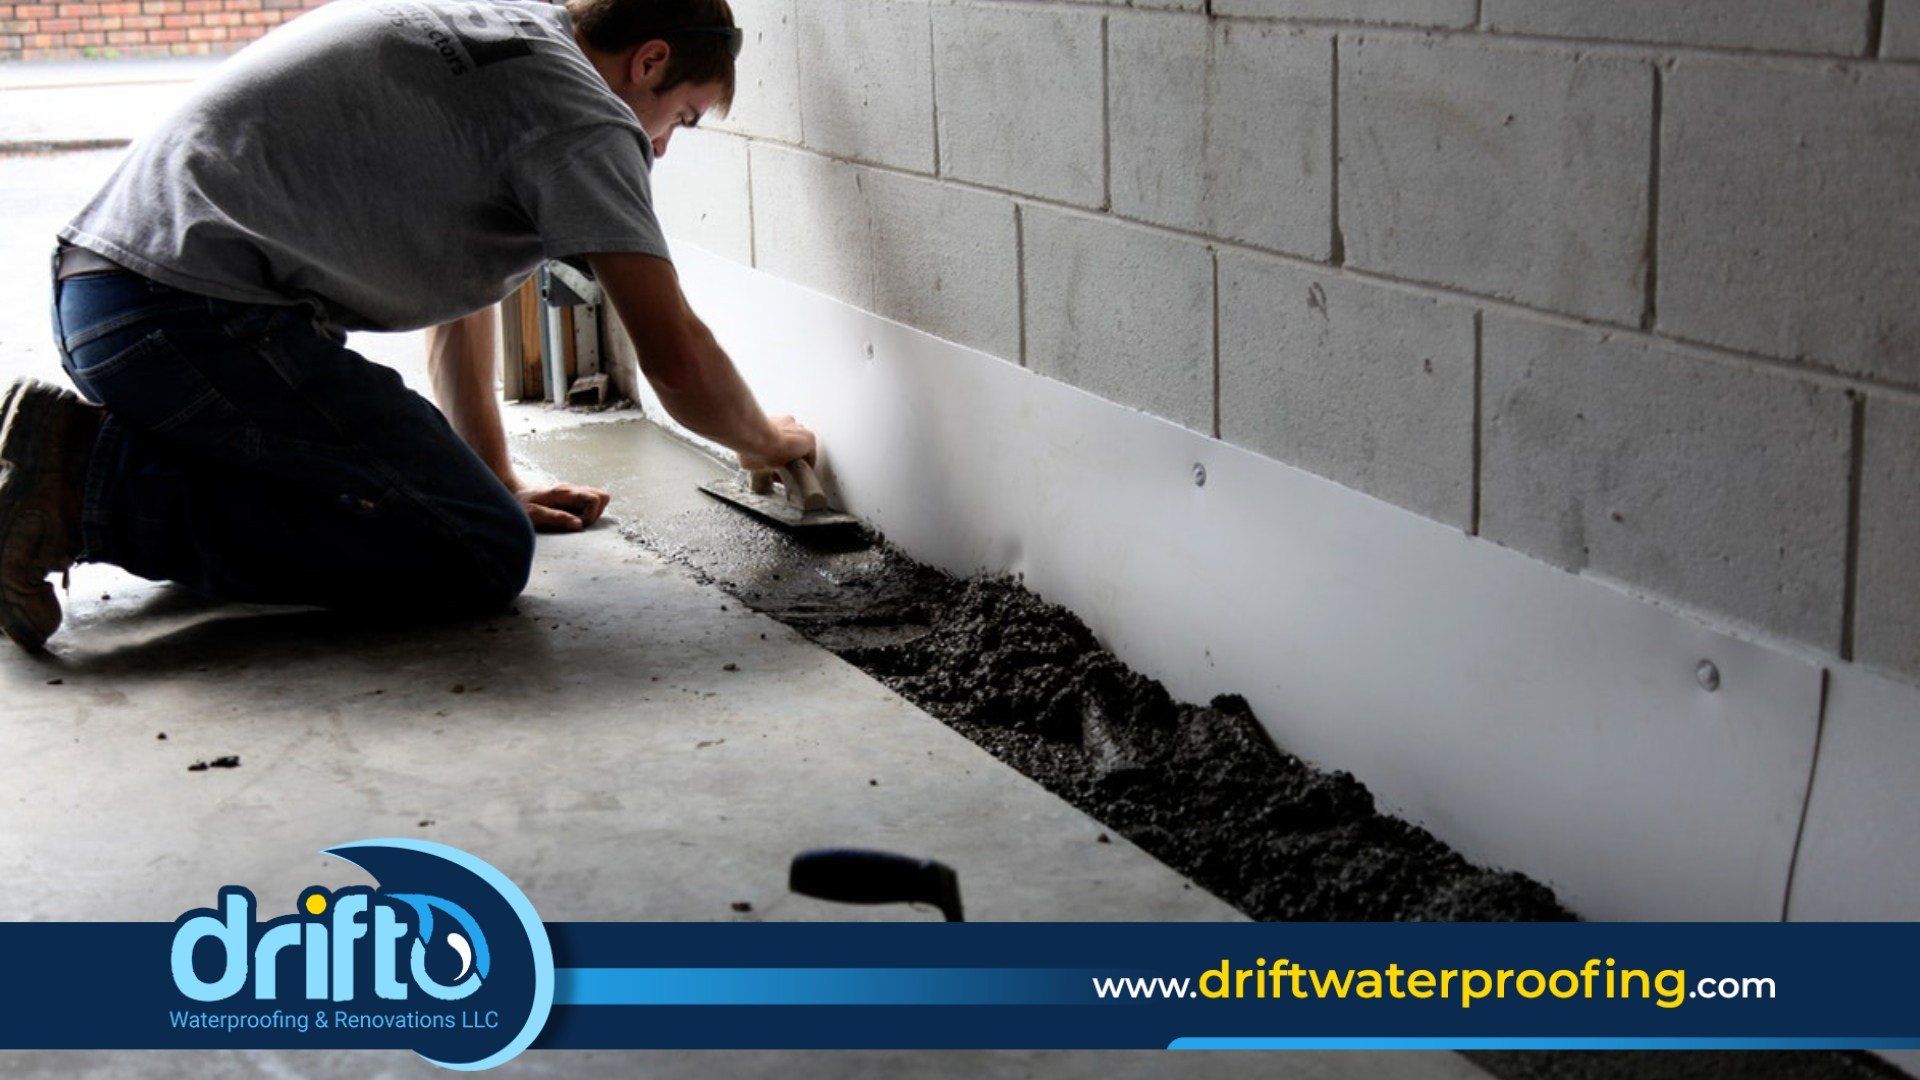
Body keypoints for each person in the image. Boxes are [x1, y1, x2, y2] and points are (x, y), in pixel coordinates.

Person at [0, 0, 815, 652]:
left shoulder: (506, 32)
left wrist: (496, 476)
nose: (664, 148)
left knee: (451, 508)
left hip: (109, 297)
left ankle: (91, 458)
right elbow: (675, 357)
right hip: (183, 323)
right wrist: (763, 440)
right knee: (473, 552)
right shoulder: (584, 118)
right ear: (650, 61)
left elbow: (460, 296)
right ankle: (80, 492)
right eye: (685, 116)